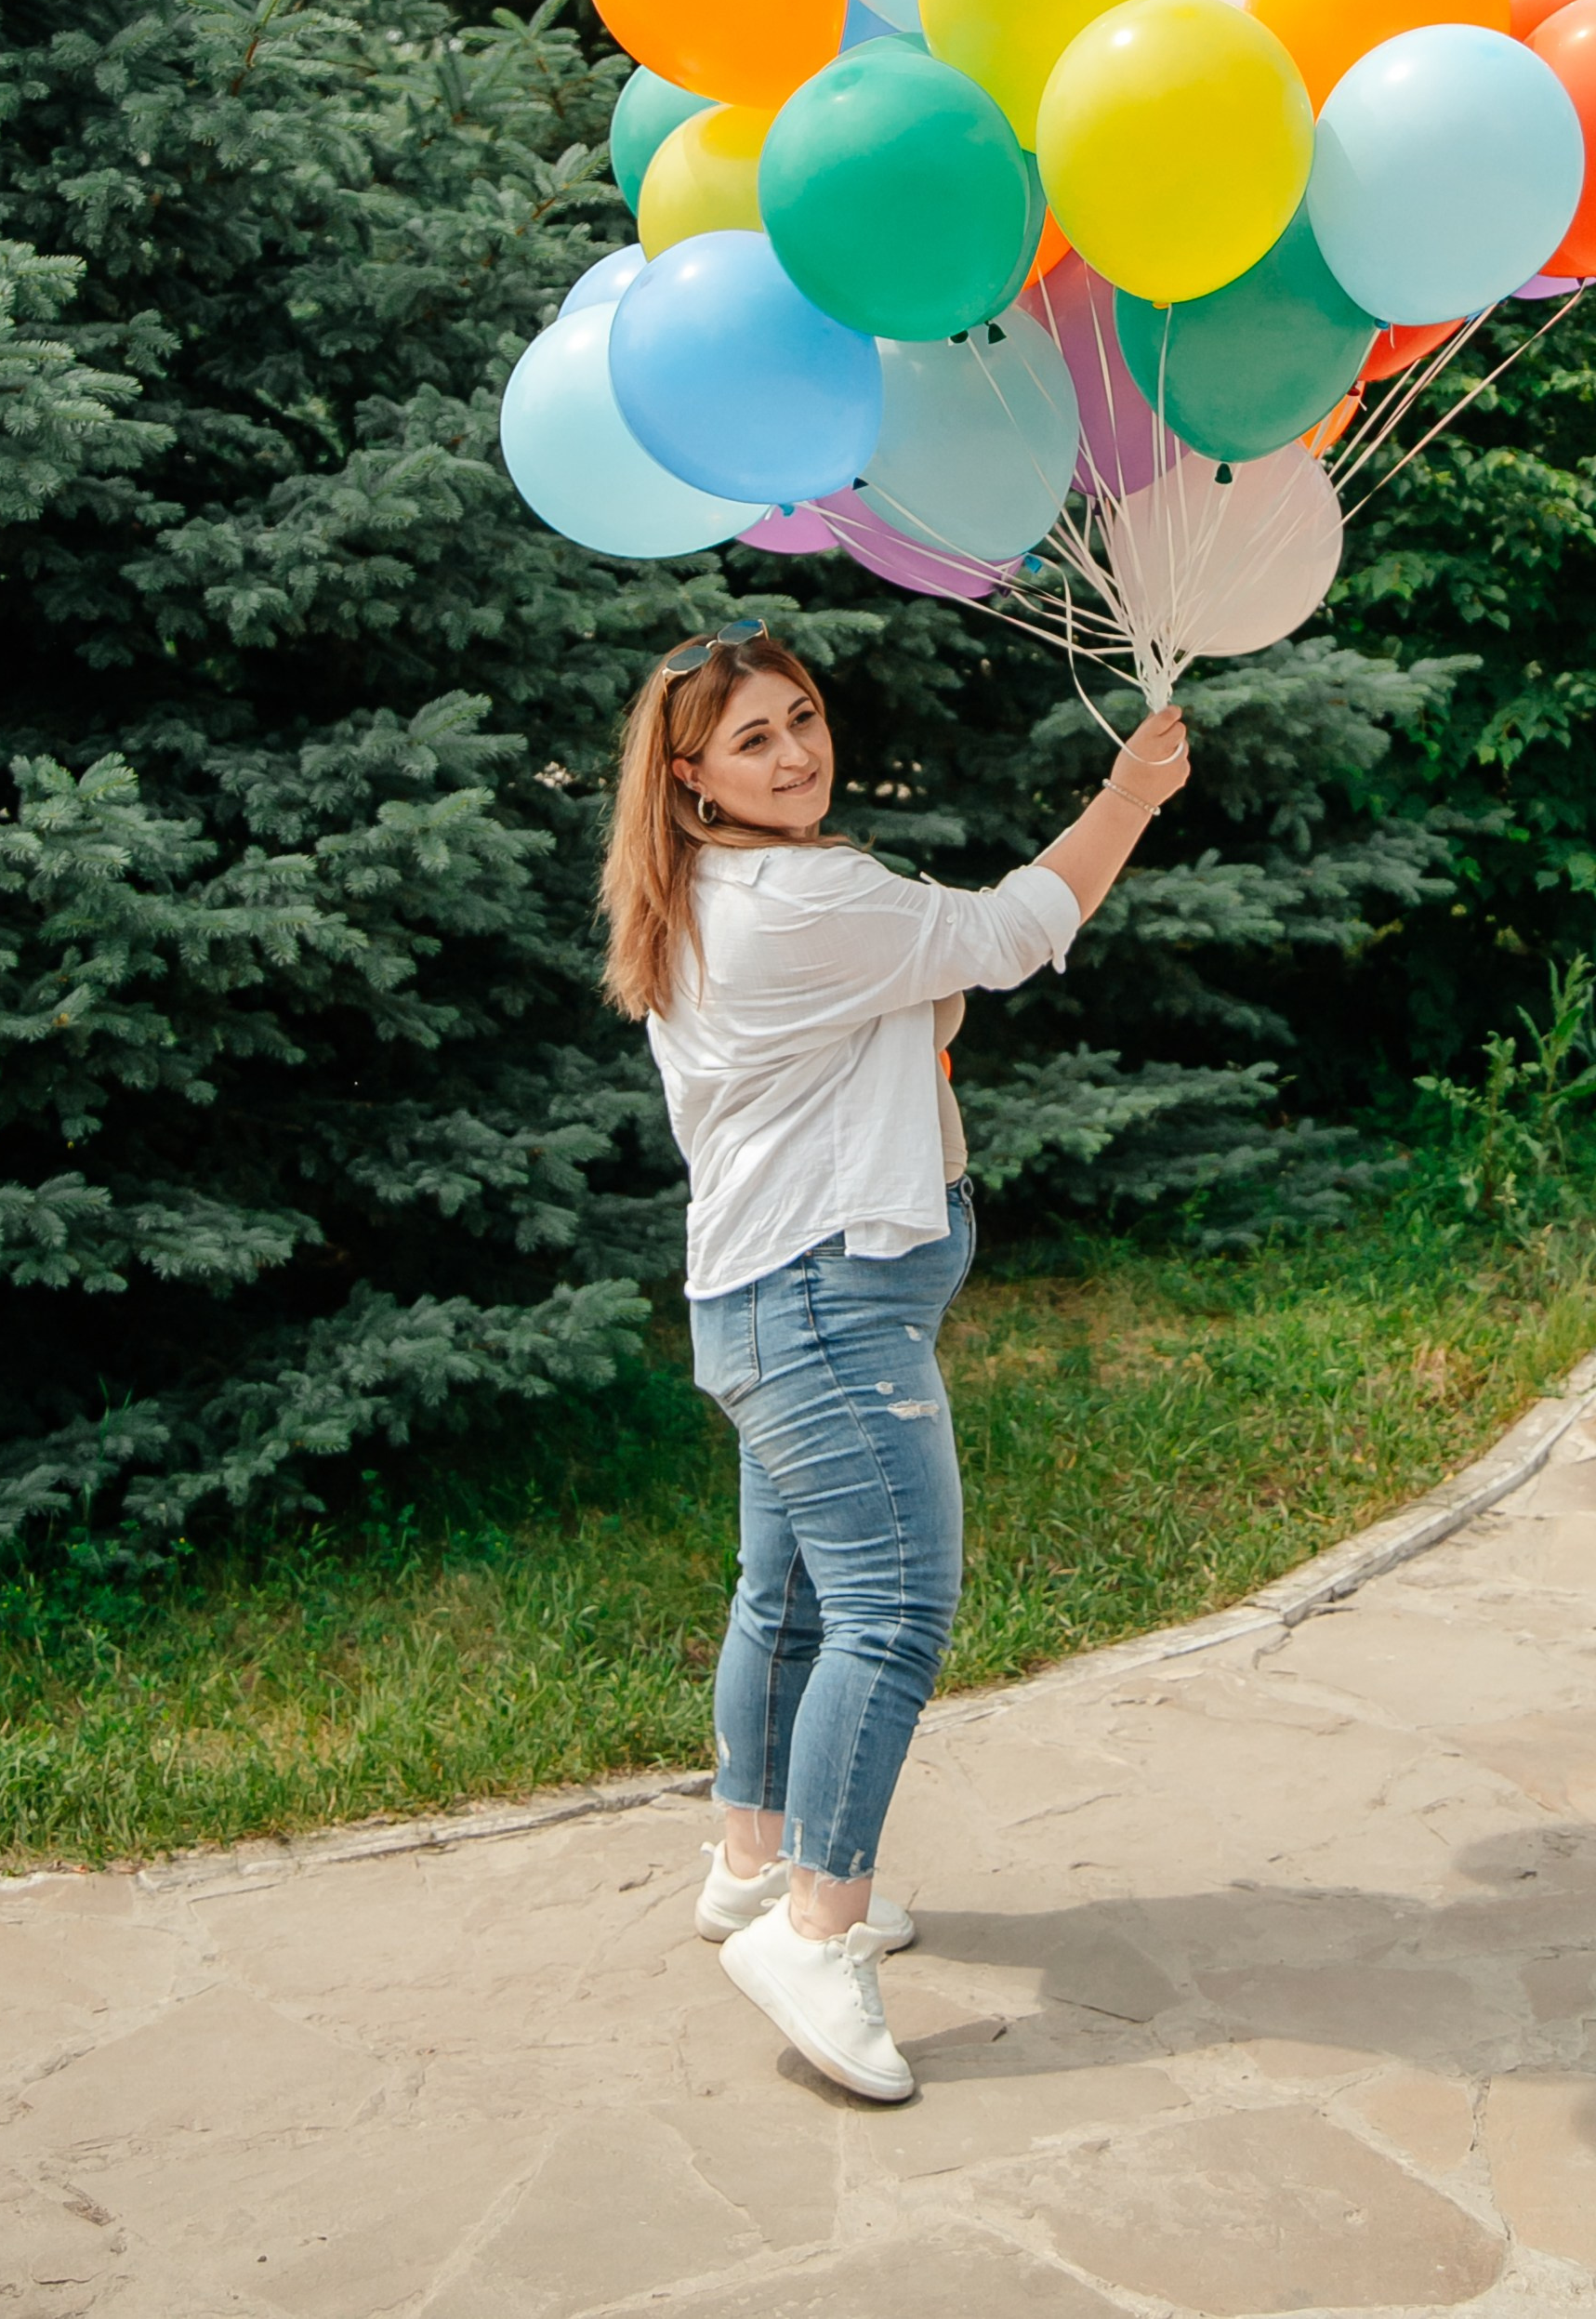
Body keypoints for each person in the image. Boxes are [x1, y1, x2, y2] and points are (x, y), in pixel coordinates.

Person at [600, 616, 1190, 2102]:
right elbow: (1008, 933)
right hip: (822, 1309)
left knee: (790, 1594)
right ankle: (814, 1932)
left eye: (801, 717)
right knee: (893, 1609)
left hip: (761, 1299)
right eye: (752, 739)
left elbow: (917, 991)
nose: (794, 752)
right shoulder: (803, 897)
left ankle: (751, 1862)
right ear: (690, 777)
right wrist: (1127, 794)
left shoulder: (706, 890)